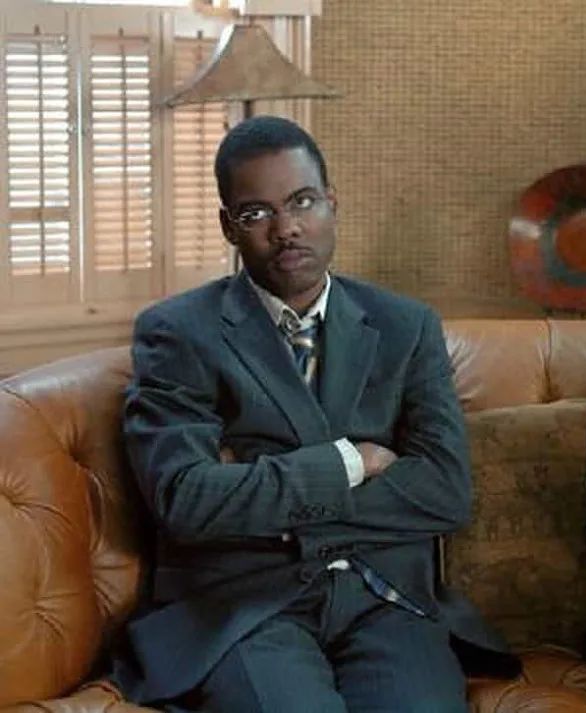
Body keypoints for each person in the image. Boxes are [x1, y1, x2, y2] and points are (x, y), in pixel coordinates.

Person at [114, 115, 516, 712]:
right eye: (257, 213)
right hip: (246, 608)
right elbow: (186, 500)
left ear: (332, 203)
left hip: (385, 601)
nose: (287, 230)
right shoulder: (178, 333)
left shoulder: (406, 326)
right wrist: (350, 463)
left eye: (302, 201)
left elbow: (446, 492)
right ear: (228, 227)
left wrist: (256, 494)